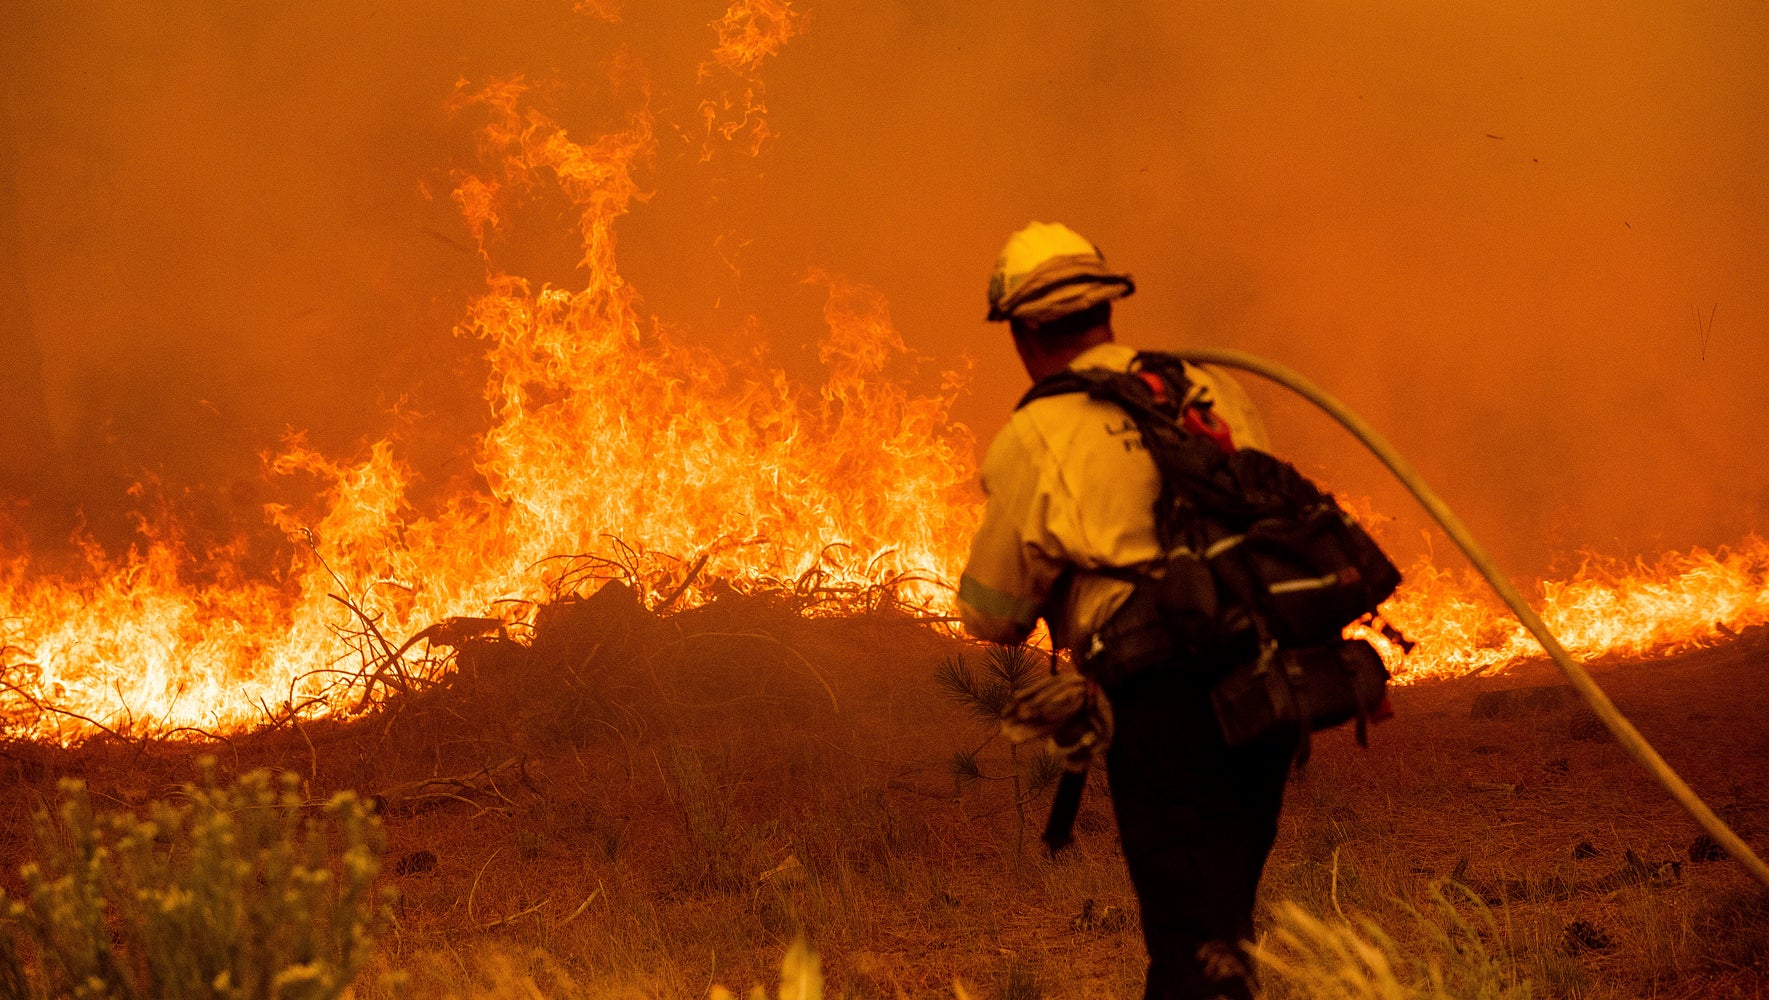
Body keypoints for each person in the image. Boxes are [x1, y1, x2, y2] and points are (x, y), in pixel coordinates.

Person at [957, 222, 1296, 1000]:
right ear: (1104, 311)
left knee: (1189, 943)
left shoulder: (1037, 432)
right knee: (1219, 922)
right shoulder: (1207, 391)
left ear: (1021, 330)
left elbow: (994, 611)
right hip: (1266, 687)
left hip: (1166, 705)